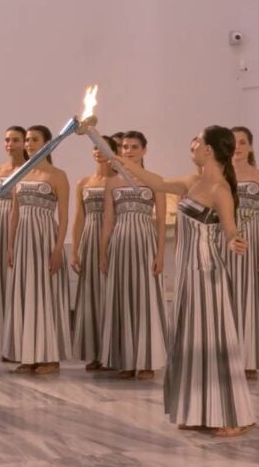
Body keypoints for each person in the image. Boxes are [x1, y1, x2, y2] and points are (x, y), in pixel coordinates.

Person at [116, 126, 255, 437]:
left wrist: (235, 242)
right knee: (191, 342)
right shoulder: (191, 181)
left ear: (209, 150)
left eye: (198, 141)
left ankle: (234, 415)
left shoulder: (219, 188)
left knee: (214, 343)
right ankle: (198, 410)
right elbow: (158, 182)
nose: (192, 144)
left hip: (207, 272)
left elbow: (231, 229)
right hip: (187, 273)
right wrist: (123, 161)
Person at [98, 131, 167, 379]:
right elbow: (108, 220)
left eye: (134, 147)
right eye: (125, 146)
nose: (129, 151)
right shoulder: (113, 183)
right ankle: (126, 360)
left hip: (145, 242)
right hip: (120, 243)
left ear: (144, 150)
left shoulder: (155, 180)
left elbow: (160, 221)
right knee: (122, 297)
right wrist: (102, 252)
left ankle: (147, 360)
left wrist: (160, 253)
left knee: (144, 298)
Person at [3, 125, 71, 375]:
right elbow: (14, 213)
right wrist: (10, 246)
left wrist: (57, 249)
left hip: (45, 239)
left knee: (45, 296)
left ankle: (50, 357)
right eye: (28, 140)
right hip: (23, 241)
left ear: (47, 143)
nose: (30, 144)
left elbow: (63, 217)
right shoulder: (22, 172)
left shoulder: (58, 175)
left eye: (35, 140)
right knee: (26, 296)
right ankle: (29, 355)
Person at [228, 126, 259, 379]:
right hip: (226, 241)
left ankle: (249, 360)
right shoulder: (220, 175)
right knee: (227, 297)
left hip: (254, 241)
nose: (238, 147)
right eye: (234, 142)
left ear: (251, 146)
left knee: (250, 298)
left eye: (243, 142)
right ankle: (227, 356)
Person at [71, 136, 117, 370]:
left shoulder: (119, 181)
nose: (99, 152)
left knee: (111, 295)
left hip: (113, 239)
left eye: (104, 148)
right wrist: (75, 250)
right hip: (90, 239)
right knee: (92, 295)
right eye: (96, 148)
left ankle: (113, 352)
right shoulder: (84, 182)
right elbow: (79, 218)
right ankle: (96, 353)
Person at [0, 126, 27, 358]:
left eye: (16, 140)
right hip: (1, 224)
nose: (10, 144)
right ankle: (5, 342)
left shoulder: (30, 169)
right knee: (2, 282)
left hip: (22, 224)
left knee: (18, 282)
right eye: (7, 140)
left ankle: (22, 341)